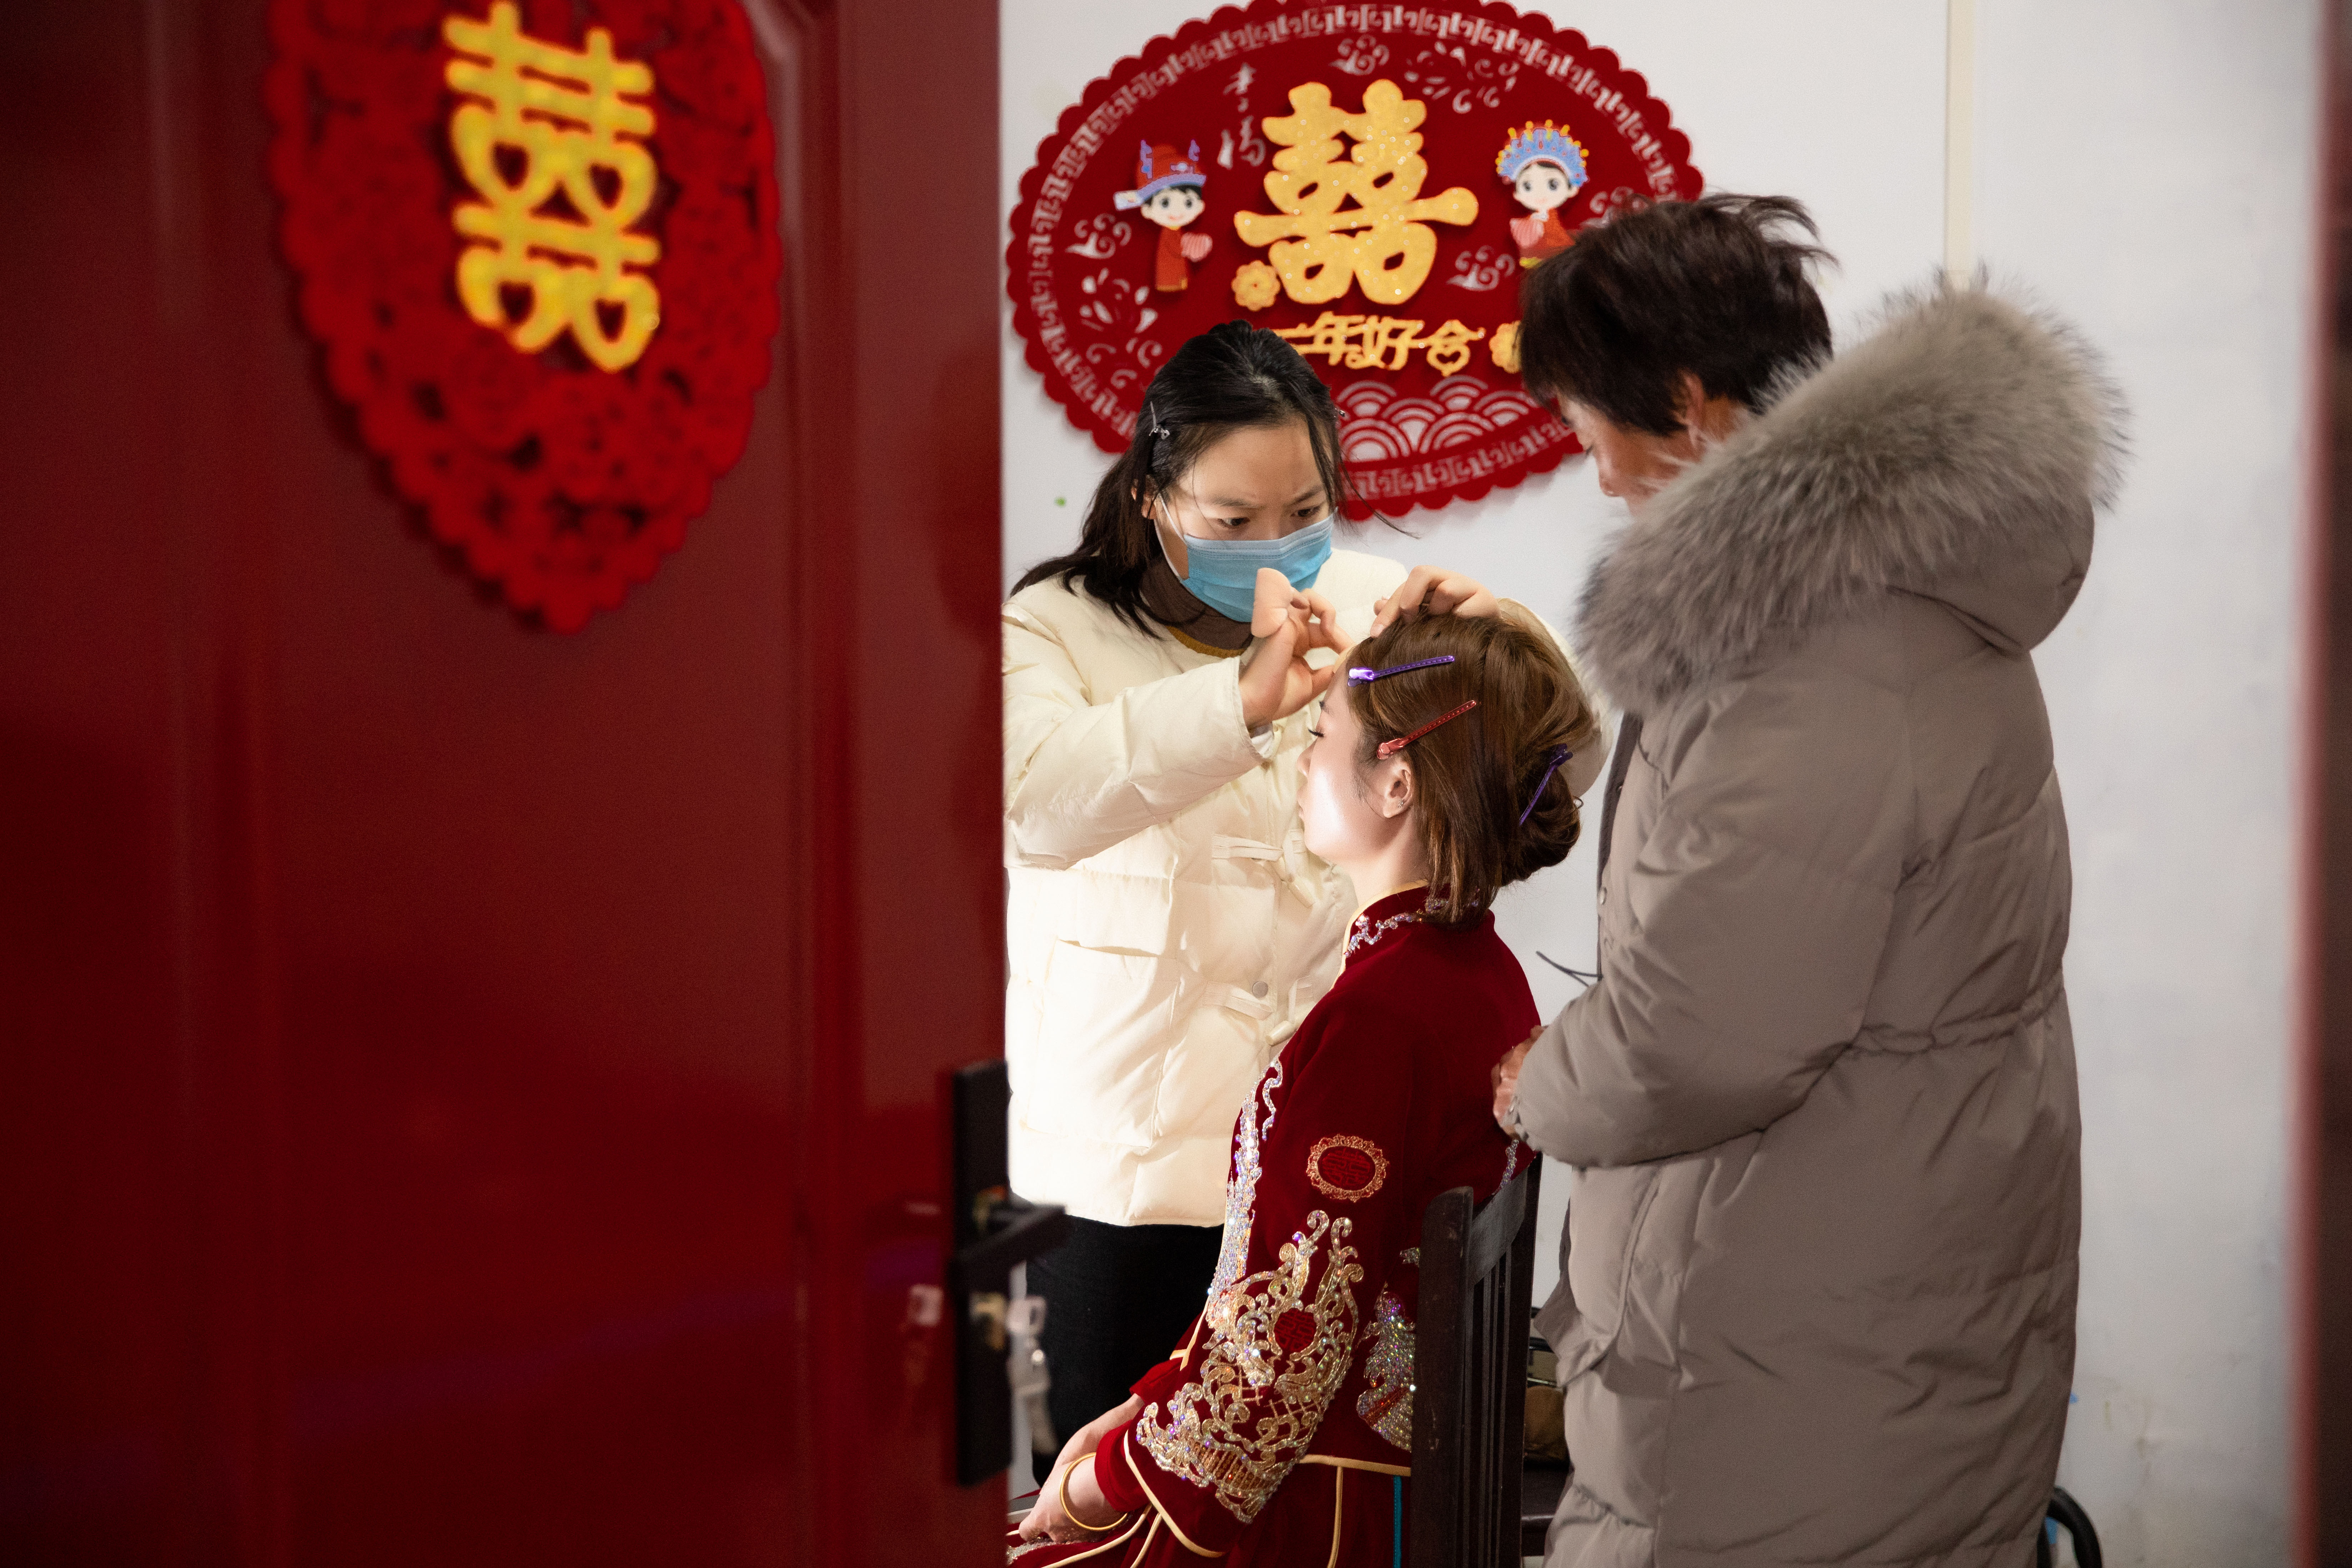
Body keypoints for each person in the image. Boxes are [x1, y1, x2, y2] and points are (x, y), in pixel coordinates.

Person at [1490, 195, 2122, 1566]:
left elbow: (1705, 1036)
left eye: (1590, 430)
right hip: (1879, 1263)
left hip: (1792, 1317)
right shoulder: (1892, 588)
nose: (1598, 476)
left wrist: (1537, 1083)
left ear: (1687, 403)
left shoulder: (1797, 650)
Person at [1003, 322, 1516, 1449]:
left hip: (1320, 1163)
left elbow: (1533, 769)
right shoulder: (1053, 628)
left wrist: (1505, 635)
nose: (1276, 549)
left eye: (1304, 512)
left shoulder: (1372, 599)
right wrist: (1239, 699)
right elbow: (1032, 806)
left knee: (1296, 1489)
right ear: (1152, 494)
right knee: (1104, 1485)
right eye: (1233, 522)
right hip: (1121, 1184)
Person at [1012, 607, 1603, 1563]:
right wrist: (1136, 1418)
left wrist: (1095, 1483)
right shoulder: (1475, 969)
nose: (1299, 761)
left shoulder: (1382, 1018)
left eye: (1320, 734)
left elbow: (1286, 1355)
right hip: (1367, 1465)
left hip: (1328, 1504)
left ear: (1398, 781)